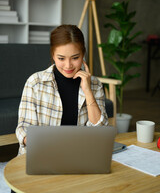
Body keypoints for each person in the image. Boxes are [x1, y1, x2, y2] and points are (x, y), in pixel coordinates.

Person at [16, 24, 108, 155]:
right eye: (61, 58)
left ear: (83, 54)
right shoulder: (35, 82)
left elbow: (101, 131)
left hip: (79, 155)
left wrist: (88, 91)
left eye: (75, 58)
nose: (68, 65)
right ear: (53, 55)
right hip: (42, 154)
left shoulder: (94, 84)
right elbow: (24, 128)